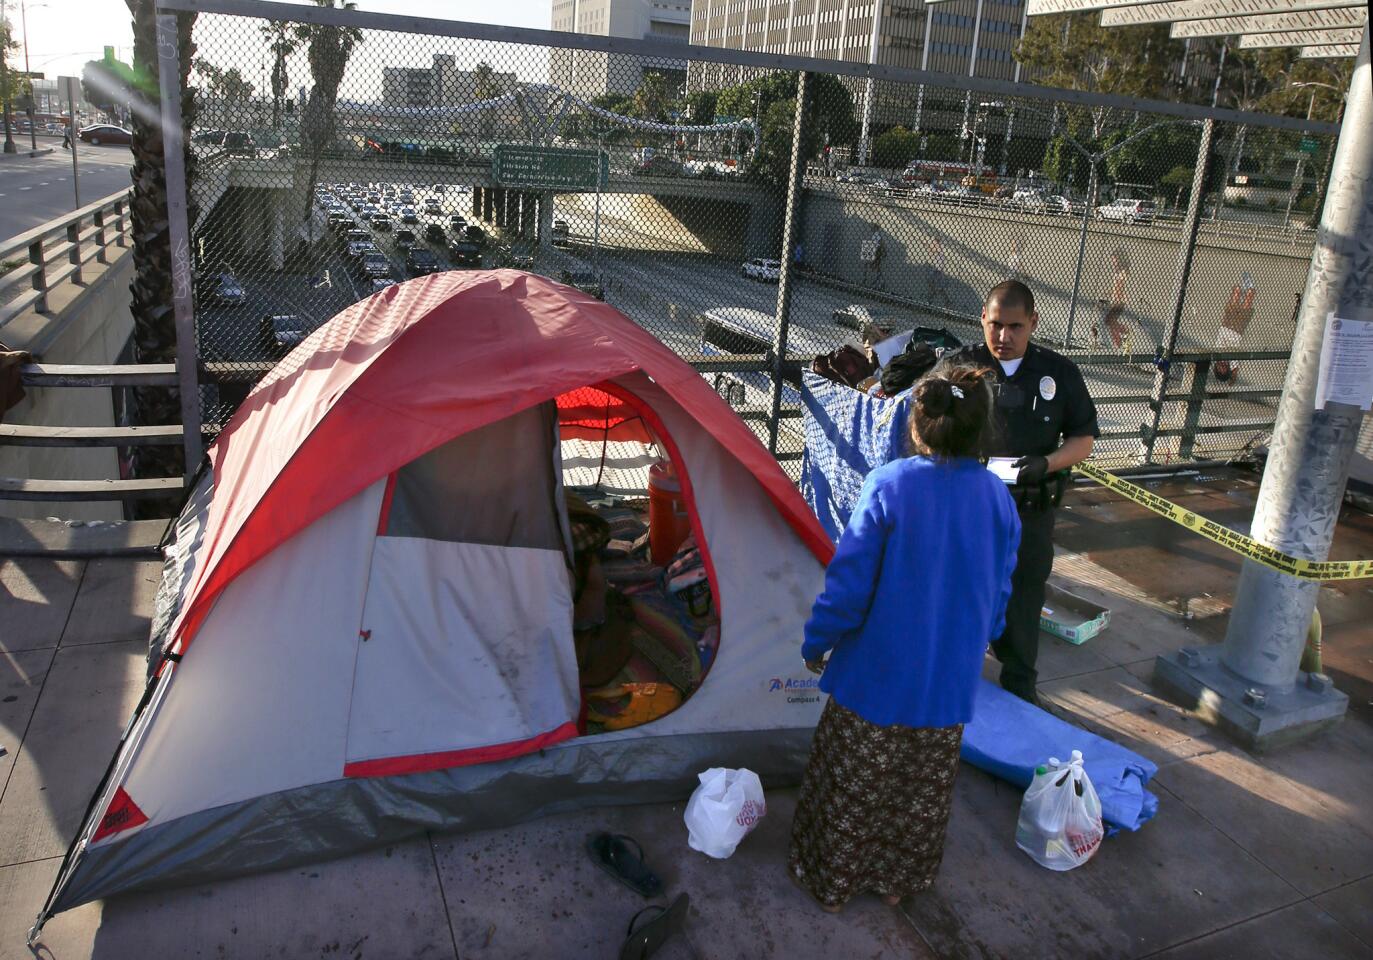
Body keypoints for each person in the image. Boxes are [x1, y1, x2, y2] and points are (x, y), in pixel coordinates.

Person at [789, 363, 1021, 913]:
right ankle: (898, 884)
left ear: (917, 424)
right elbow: (999, 593)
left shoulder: (889, 484)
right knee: (920, 793)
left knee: (853, 785)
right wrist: (981, 637)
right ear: (980, 428)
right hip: (947, 688)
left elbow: (848, 586)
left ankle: (833, 884)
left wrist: (816, 641)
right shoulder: (997, 499)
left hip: (875, 681)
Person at [952, 280, 1099, 704]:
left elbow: (1083, 438)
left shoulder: (1059, 373)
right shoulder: (960, 367)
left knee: (1025, 592)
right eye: (995, 325)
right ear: (983, 317)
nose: (1003, 337)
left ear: (1033, 322)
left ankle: (1019, 684)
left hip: (1029, 509)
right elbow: (923, 423)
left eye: (1015, 326)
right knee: (962, 589)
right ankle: (955, 672)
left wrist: (1047, 463)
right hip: (969, 508)